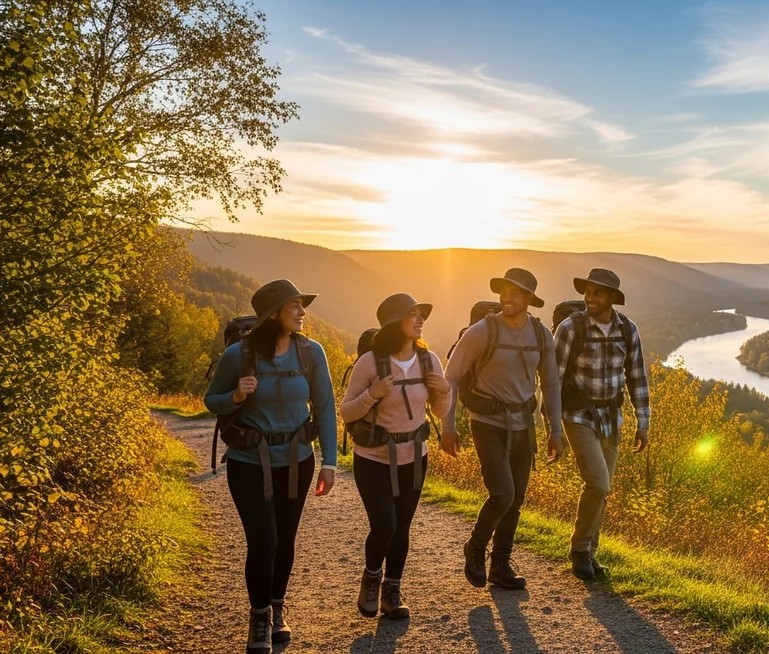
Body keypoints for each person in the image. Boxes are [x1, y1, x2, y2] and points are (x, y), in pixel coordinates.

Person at [204, 279, 338, 654]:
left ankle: (277, 608)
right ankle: (259, 616)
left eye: (301, 305)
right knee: (264, 539)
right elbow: (211, 400)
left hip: (298, 460)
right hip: (248, 463)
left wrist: (330, 462)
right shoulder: (239, 355)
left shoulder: (312, 353)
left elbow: (326, 408)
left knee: (285, 540)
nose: (301, 312)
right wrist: (235, 395)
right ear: (273, 314)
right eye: (294, 306)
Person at [441, 268, 563, 590]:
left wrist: (555, 430)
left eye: (516, 292)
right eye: (504, 290)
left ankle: (500, 565)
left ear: (529, 300)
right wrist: (448, 424)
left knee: (517, 498)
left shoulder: (541, 336)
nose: (507, 297)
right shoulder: (483, 331)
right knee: (503, 494)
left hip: (524, 424)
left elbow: (550, 383)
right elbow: (451, 377)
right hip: (487, 424)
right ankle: (476, 548)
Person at [340, 293, 450, 620]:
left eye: (421, 315)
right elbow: (346, 412)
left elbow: (440, 411)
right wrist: (373, 394)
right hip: (373, 458)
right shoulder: (370, 363)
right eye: (412, 315)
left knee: (402, 526)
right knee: (385, 525)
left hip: (415, 455)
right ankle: (372, 578)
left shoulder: (429, 360)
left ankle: (392, 590)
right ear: (394, 322)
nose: (420, 320)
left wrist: (444, 389)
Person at [553, 268, 650, 580]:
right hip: (578, 416)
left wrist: (643, 421)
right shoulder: (570, 328)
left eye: (598, 293)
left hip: (612, 417)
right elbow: (552, 379)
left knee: (602, 489)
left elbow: (637, 376)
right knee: (598, 483)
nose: (590, 298)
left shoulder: (627, 330)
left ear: (612, 299)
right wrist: (552, 426)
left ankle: (591, 554)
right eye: (588, 292)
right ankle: (579, 549)